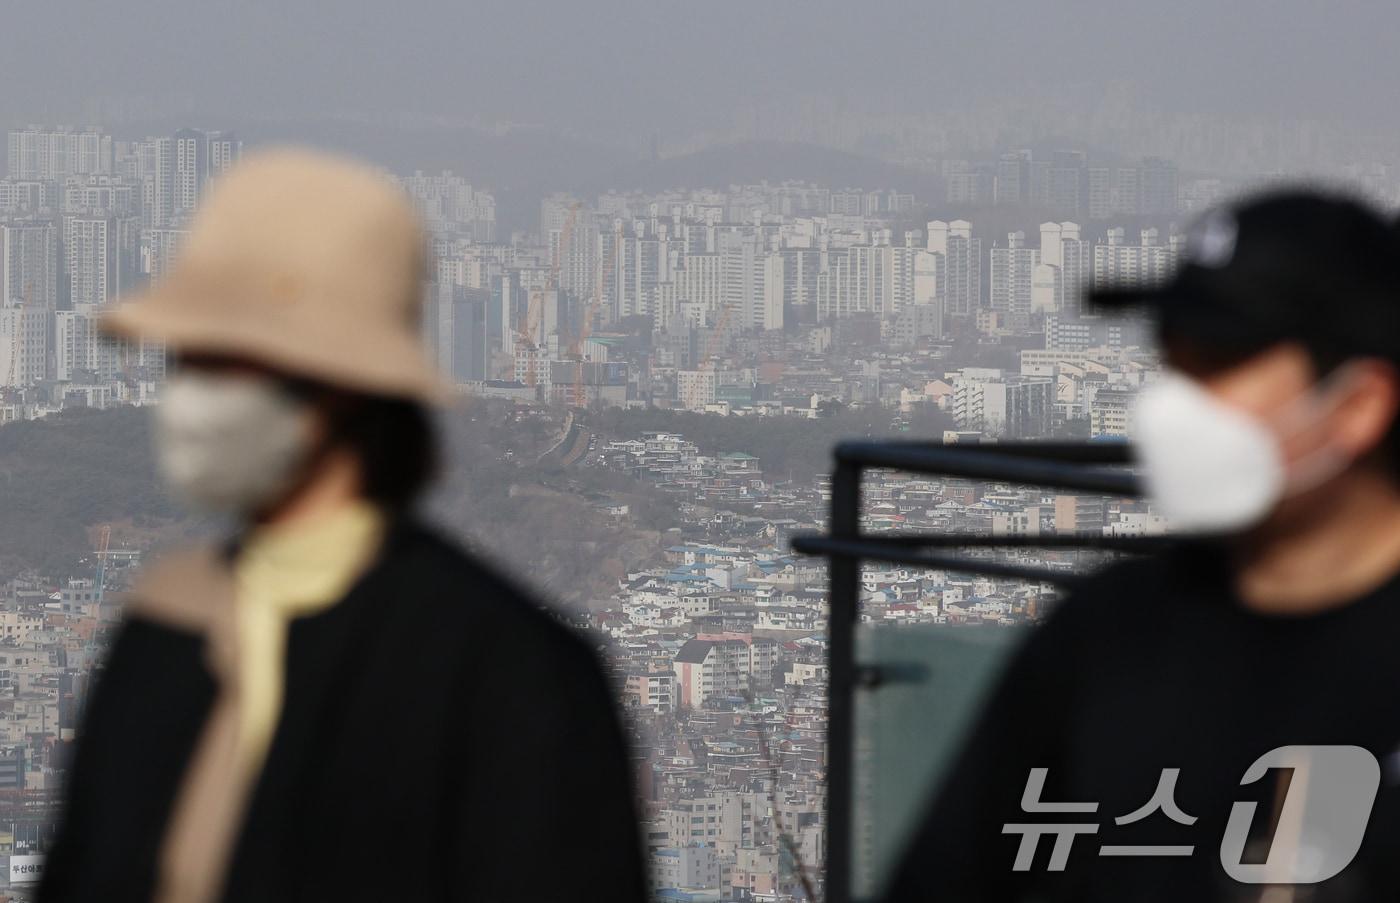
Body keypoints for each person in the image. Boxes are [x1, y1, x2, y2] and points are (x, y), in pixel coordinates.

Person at [40, 150, 647, 903]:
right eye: (187, 359)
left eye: (228, 362)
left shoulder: (509, 676)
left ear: (338, 381)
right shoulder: (164, 624)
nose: (191, 396)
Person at [886, 192, 1400, 902]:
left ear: (1358, 405)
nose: (1173, 407)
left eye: (1216, 364)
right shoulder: (1110, 631)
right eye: (1173, 363)